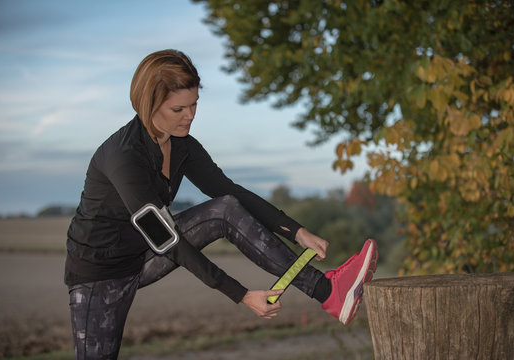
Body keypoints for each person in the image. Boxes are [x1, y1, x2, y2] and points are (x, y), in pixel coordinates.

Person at [65, 49, 378, 359]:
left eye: (194, 104)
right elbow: (166, 238)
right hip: (99, 274)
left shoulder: (181, 144)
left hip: (142, 253)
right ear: (149, 106)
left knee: (224, 207)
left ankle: (330, 292)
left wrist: (296, 231)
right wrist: (241, 295)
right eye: (178, 109)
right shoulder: (123, 157)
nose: (190, 116)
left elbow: (231, 191)